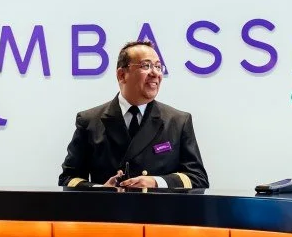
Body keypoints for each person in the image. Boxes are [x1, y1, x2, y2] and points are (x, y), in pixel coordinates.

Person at [59, 39, 209, 190]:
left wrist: (156, 182)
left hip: (158, 212)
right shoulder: (89, 121)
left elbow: (198, 178)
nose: (155, 73)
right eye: (146, 66)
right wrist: (101, 189)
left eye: (158, 66)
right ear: (122, 75)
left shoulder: (178, 121)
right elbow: (68, 179)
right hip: (108, 212)